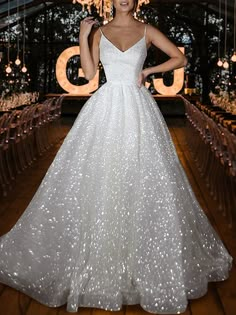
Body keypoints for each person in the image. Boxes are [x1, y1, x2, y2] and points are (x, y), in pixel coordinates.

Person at [0, 0, 232, 314]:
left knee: (140, 179)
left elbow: (180, 58)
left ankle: (137, 261)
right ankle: (100, 259)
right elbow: (90, 72)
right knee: (100, 177)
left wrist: (149, 69)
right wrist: (83, 37)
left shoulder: (147, 30)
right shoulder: (100, 32)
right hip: (106, 107)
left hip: (137, 109)